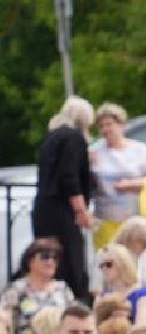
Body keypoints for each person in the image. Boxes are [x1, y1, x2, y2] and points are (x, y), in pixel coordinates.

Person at [33, 97, 96, 301]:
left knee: (47, 256)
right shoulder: (74, 138)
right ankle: (75, 303)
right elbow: (69, 178)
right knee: (71, 261)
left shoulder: (51, 138)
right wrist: (81, 210)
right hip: (63, 210)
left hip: (44, 207)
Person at [88, 103, 146, 251]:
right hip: (107, 220)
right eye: (101, 126)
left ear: (121, 125)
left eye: (109, 124)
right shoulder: (94, 152)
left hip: (138, 221)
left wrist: (131, 184)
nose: (105, 129)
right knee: (110, 260)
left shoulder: (139, 150)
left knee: (139, 262)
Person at [2, 239, 73, 334]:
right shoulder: (16, 290)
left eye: (54, 258)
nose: (50, 262)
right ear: (30, 261)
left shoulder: (63, 289)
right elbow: (4, 324)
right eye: (45, 257)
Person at [95, 245, 146, 326]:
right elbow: (94, 326)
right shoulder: (101, 297)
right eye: (101, 265)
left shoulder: (142, 294)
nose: (104, 268)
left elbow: (141, 326)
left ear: (122, 264)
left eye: (109, 264)